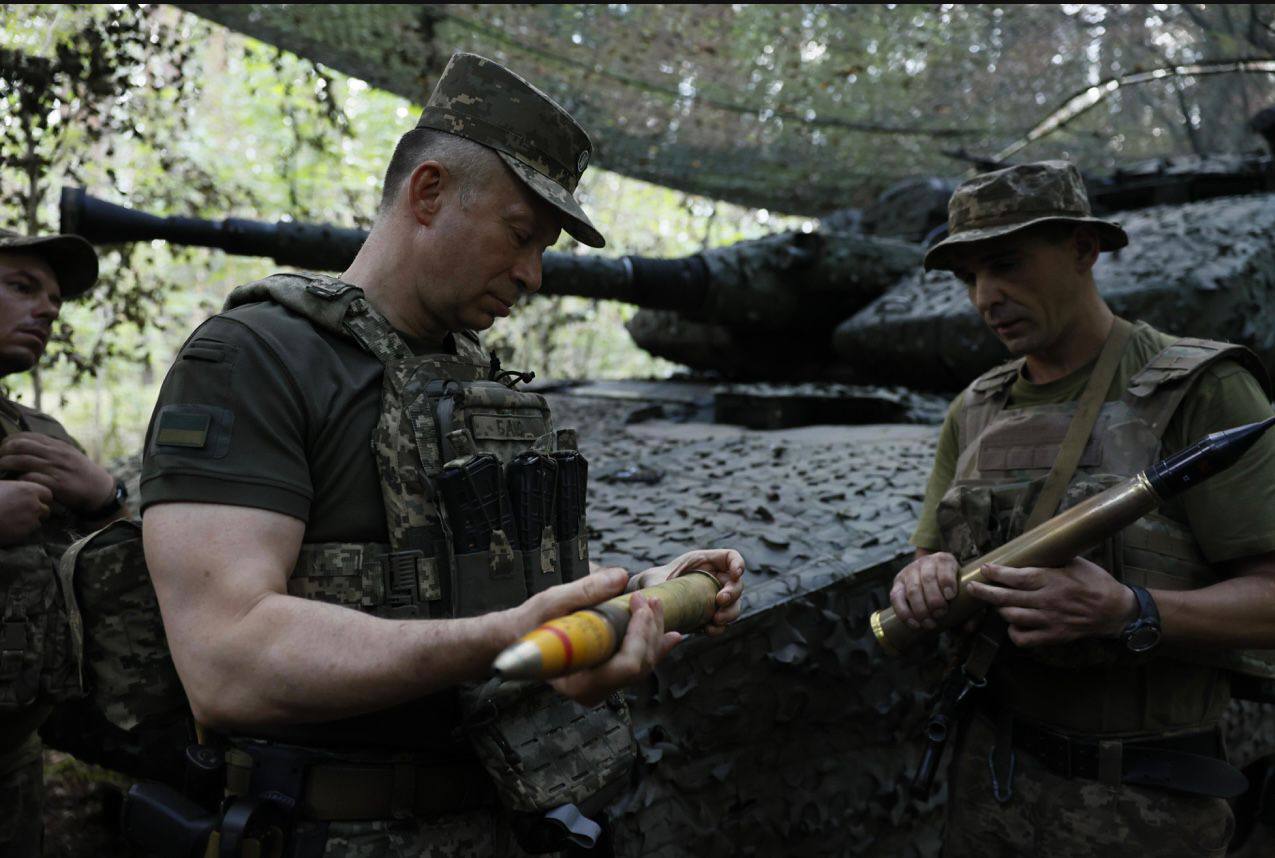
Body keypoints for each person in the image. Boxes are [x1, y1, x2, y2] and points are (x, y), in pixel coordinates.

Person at [139, 53, 744, 856]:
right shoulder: (254, 359)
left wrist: (634, 597)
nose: (531, 274)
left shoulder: (477, 383)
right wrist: (501, 642)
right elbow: (225, 660)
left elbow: (491, 598)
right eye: (520, 235)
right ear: (428, 193)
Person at [891, 161, 1275, 857]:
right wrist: (920, 582)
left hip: (1146, 802)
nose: (985, 296)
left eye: (1005, 264)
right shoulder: (974, 409)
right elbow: (932, 562)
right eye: (967, 277)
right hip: (993, 785)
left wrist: (1129, 611)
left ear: (1082, 250)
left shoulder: (1204, 392)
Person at [0, 230, 128, 857]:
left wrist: (106, 496)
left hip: (17, 750)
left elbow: (105, 578)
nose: (48, 309)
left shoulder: (38, 436)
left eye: (54, 298)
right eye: (22, 287)